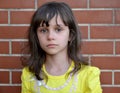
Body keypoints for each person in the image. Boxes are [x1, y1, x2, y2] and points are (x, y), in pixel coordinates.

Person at [21, 1, 102, 93]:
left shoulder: (88, 75)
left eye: (58, 29)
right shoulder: (29, 75)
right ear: (36, 36)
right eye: (43, 30)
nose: (50, 36)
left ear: (71, 35)